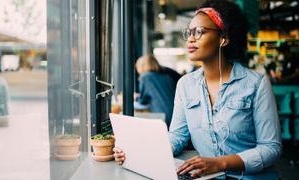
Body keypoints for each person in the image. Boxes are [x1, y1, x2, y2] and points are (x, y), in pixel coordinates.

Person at [114, 0, 282, 179]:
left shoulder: (256, 83)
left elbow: (271, 147)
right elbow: (178, 136)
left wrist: (220, 163)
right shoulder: (186, 85)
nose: (191, 38)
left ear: (223, 38)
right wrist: (140, 151)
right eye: (189, 32)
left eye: (200, 32)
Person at [134, 55, 180, 128]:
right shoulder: (167, 76)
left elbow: (142, 101)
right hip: (176, 116)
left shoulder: (145, 77)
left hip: (161, 117)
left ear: (141, 66)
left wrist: (136, 97)